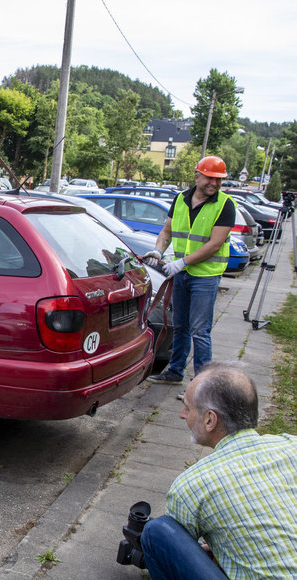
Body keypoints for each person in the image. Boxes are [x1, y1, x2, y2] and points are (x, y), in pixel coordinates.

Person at [140, 363, 297, 579]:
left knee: (157, 531)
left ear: (210, 420)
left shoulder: (192, 485)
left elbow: (182, 547)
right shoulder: (291, 446)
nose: (182, 414)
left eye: (188, 407)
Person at [144, 156, 236, 398]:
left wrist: (182, 262)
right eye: (210, 178)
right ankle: (175, 371)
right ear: (197, 176)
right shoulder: (181, 199)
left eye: (219, 180)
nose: (214, 184)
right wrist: (159, 249)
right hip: (182, 274)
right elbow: (167, 230)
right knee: (181, 326)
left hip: (205, 277)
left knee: (200, 330)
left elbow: (215, 244)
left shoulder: (225, 205)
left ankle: (202, 388)